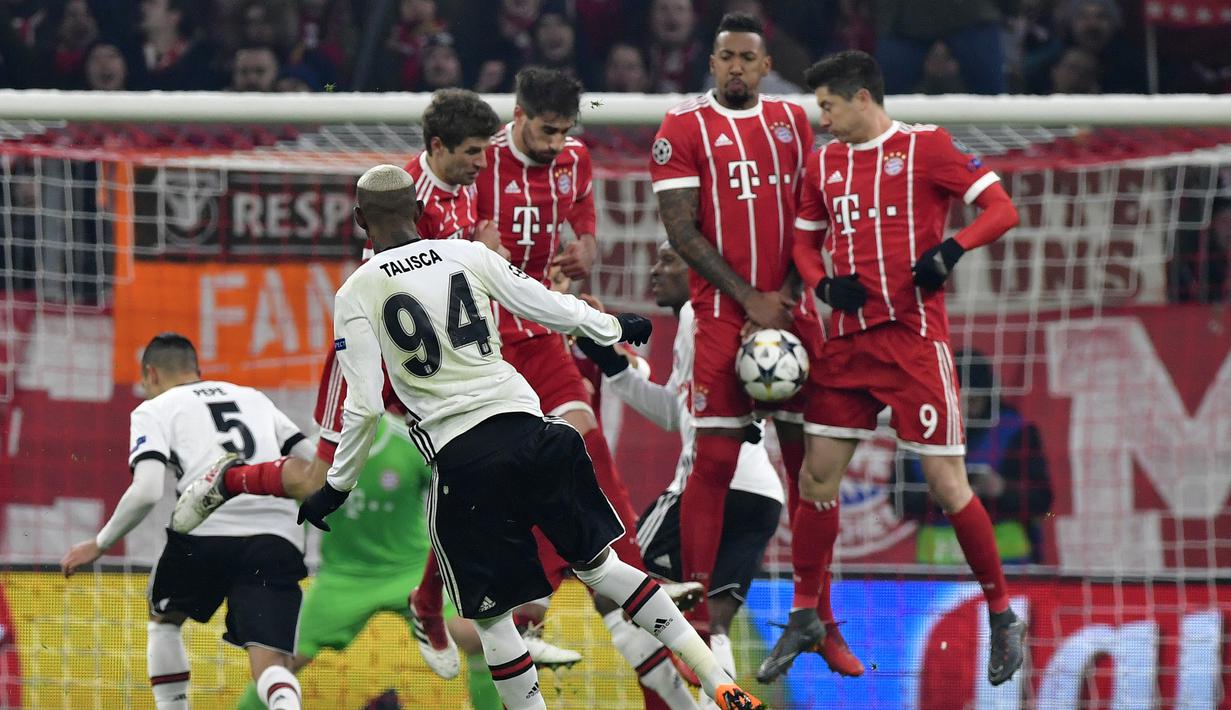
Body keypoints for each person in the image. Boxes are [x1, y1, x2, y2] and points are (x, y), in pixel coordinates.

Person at [296, 163, 764, 710]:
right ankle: (719, 684)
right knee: (608, 568)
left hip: (464, 462)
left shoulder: (356, 291)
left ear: (358, 221)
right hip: (538, 434)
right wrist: (613, 327)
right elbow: (542, 303)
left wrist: (335, 486)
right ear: (420, 212)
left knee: (494, 622)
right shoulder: (465, 253)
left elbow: (365, 405)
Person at [173, 88, 506, 702]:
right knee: (323, 477)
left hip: (422, 369)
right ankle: (231, 480)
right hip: (370, 357)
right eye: (473, 153)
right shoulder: (399, 197)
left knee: (476, 475)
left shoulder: (465, 188)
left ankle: (451, 607)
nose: (483, 164)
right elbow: (387, 293)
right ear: (438, 149)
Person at [775, 49, 1026, 686]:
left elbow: (1001, 210)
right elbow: (805, 242)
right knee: (816, 481)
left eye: (828, 106)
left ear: (862, 97)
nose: (822, 120)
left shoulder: (926, 147)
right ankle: (807, 612)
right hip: (847, 347)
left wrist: (951, 248)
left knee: (946, 484)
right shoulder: (823, 162)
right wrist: (822, 285)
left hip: (913, 345)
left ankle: (1001, 613)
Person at [464, 65, 704, 708]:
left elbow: (585, 227)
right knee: (509, 475)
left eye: (565, 130)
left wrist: (585, 251)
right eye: (545, 130)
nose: (555, 142)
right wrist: (472, 244)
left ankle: (624, 573)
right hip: (483, 341)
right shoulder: (475, 162)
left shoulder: (574, 159)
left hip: (541, 327)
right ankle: (520, 606)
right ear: (517, 116)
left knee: (582, 436)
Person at [576, 242, 865, 706]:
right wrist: (612, 363)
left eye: (668, 259)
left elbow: (693, 419)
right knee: (714, 623)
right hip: (760, 496)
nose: (656, 269)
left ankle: (681, 704)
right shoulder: (705, 322)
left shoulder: (700, 315)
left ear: (696, 274)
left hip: (707, 489)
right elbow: (679, 412)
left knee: (610, 580)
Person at [649, 14, 848, 676]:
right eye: (725, 56)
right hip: (719, 315)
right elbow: (680, 230)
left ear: (765, 67)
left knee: (814, 468)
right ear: (711, 63)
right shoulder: (681, 127)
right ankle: (705, 630)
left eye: (746, 58)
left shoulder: (792, 124)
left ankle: (806, 613)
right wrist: (747, 301)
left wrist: (780, 300)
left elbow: (809, 216)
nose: (735, 66)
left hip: (789, 316)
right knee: (711, 461)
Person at [61, 333, 313, 710]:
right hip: (278, 537)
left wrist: (99, 544)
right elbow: (312, 462)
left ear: (150, 374)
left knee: (163, 619)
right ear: (198, 370)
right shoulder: (253, 397)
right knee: (270, 665)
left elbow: (146, 491)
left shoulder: (156, 408)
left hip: (206, 532)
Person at [231, 411, 500, 710]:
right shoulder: (311, 456)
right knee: (278, 664)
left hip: (411, 571)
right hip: (343, 578)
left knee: (476, 638)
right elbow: (287, 513)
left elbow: (456, 492)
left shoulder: (410, 443)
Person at [893, 350, 1054, 566]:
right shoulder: (917, 436)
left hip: (1008, 570)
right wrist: (933, 496)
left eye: (974, 401)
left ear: (987, 396)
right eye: (959, 402)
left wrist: (1001, 490)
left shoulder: (1016, 432)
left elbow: (1042, 500)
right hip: (935, 580)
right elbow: (897, 502)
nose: (966, 410)